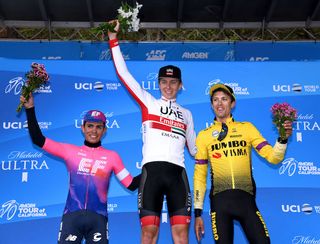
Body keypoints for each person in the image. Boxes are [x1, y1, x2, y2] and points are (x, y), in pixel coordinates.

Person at [107, 20, 197, 244]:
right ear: (158, 83)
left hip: (178, 175)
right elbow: (123, 74)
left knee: (181, 235)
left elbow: (196, 150)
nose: (168, 86)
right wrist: (113, 40)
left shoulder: (186, 114)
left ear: (180, 85)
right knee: (149, 234)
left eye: (173, 82)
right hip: (152, 173)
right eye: (164, 82)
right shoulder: (149, 103)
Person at [20, 93, 140, 244]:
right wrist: (30, 109)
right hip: (72, 217)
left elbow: (131, 184)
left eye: (98, 127)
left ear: (104, 130)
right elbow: (38, 139)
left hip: (98, 219)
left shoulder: (112, 157)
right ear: (82, 128)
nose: (94, 131)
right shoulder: (70, 151)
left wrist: (155, 168)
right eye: (90, 126)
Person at [193, 84, 293, 244]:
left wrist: (282, 138)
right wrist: (197, 212)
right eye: (215, 100)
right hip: (220, 203)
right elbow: (200, 175)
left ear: (232, 103)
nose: (219, 103)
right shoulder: (204, 136)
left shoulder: (247, 128)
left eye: (224, 99)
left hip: (245, 200)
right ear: (211, 105)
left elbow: (274, 158)